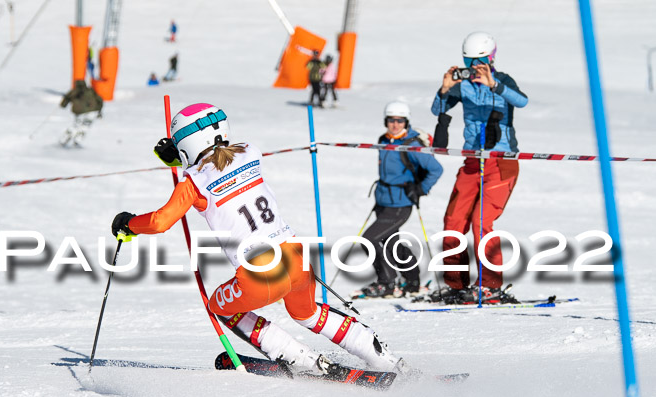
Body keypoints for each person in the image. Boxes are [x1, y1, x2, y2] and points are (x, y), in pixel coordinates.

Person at [110, 102, 409, 375]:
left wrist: (128, 224)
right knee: (307, 312)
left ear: (187, 144)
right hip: (295, 257)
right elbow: (219, 164)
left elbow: (161, 221)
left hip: (259, 272)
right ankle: (384, 358)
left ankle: (303, 360)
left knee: (220, 306)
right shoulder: (249, 151)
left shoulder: (192, 183)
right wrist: (182, 161)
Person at [430, 31, 528, 304]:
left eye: (480, 60)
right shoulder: (464, 85)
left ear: (491, 58)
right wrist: (445, 89)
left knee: (481, 222)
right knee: (453, 222)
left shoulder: (503, 80)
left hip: (501, 161)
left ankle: (490, 285)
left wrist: (494, 84)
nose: (474, 66)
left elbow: (522, 101)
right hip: (473, 162)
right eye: (469, 60)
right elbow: (438, 109)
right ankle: (456, 285)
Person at [352, 101, 443, 299]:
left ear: (406, 122)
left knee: (369, 240)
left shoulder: (412, 145)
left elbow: (436, 169)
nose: (395, 124)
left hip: (401, 203)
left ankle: (386, 282)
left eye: (400, 121)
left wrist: (421, 189)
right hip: (383, 201)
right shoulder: (383, 140)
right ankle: (412, 281)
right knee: (392, 243)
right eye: (392, 120)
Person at [59, 80, 103, 146]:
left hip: (79, 113)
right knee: (85, 126)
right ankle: (77, 141)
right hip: (92, 112)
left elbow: (65, 100)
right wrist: (99, 111)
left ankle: (64, 139)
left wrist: (63, 105)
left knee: (76, 125)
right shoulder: (90, 90)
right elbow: (99, 100)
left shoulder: (73, 92)